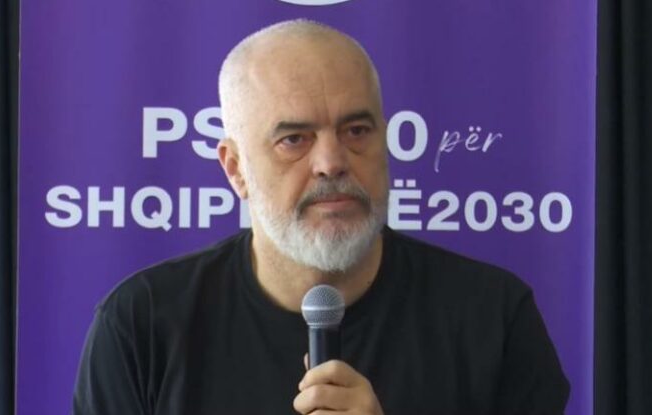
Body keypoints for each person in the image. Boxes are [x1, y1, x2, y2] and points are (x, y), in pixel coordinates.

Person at [73, 19, 569, 415]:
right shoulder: (142, 326)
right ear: (236, 168)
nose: (332, 162)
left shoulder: (492, 318)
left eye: (356, 131)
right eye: (294, 139)